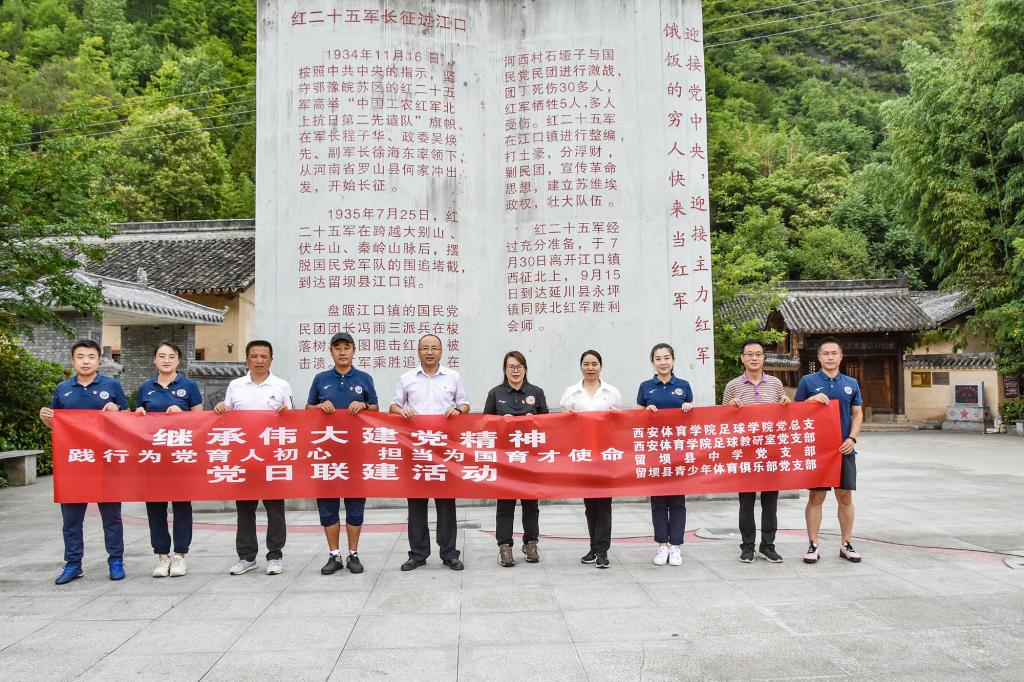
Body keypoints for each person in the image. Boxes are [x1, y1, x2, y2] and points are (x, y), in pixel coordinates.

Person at [39, 339, 129, 585]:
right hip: (74, 464)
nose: (86, 361)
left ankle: (116, 560)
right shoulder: (63, 389)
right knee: (71, 520)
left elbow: (128, 419)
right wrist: (46, 417)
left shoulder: (112, 386)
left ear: (99, 361)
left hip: (106, 462)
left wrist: (117, 411)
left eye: (91, 357)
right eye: (81, 357)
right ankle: (73, 564)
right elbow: (58, 425)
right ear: (72, 361)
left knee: (112, 517)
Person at [389, 334, 469, 571]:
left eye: (434, 348)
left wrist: (458, 411)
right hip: (416, 449)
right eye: (425, 348)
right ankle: (418, 554)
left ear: (441, 352)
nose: (430, 352)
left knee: (446, 502)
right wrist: (401, 411)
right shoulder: (407, 378)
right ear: (418, 351)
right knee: (416, 502)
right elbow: (393, 405)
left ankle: (449, 553)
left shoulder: (453, 376)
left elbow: (465, 404)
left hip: (444, 449)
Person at [214, 340, 293, 575]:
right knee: (245, 509)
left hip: (272, 457)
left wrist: (286, 413)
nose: (259, 360)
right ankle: (247, 557)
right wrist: (220, 408)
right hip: (244, 456)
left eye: (264, 356)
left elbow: (292, 419)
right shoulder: (235, 385)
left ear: (271, 360)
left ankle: (275, 555)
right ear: (247, 359)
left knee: (275, 508)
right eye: (254, 356)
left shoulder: (282, 385)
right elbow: (226, 415)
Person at [306, 332, 378, 576]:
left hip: (356, 453)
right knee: (327, 504)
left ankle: (353, 554)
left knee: (355, 504)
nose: (342, 352)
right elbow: (307, 409)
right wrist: (319, 406)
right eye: (337, 348)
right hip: (326, 454)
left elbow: (376, 408)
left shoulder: (364, 378)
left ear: (354, 350)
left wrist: (364, 405)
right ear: (331, 352)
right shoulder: (321, 379)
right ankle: (334, 554)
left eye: (346, 347)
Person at [135, 340, 204, 578]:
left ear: (179, 360)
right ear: (154, 360)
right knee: (155, 507)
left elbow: (200, 421)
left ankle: (180, 556)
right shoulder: (146, 388)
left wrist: (182, 415)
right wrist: (139, 414)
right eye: (162, 356)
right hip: (153, 456)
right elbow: (137, 422)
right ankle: (162, 555)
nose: (166, 360)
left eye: (171, 356)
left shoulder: (189, 386)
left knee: (182, 506)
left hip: (180, 456)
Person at [722, 339, 791, 564]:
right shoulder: (733, 386)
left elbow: (784, 414)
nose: (754, 358)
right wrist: (730, 408)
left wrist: (785, 402)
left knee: (770, 503)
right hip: (745, 453)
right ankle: (747, 546)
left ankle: (768, 546)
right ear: (742, 358)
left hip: (770, 452)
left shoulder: (776, 384)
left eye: (758, 354)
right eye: (749, 354)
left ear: (764, 357)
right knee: (746, 502)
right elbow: (722, 420)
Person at [796, 337, 864, 564]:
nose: (830, 357)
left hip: (844, 449)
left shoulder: (851, 383)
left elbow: (857, 413)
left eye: (834, 353)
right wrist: (810, 400)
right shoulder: (808, 381)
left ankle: (846, 543)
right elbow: (795, 412)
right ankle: (813, 544)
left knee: (845, 496)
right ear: (819, 357)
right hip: (818, 450)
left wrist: (852, 438)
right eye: (825, 353)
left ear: (841, 356)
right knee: (816, 496)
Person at [483, 351, 549, 567]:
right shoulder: (495, 394)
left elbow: (548, 425)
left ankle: (531, 542)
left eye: (519, 366)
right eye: (511, 366)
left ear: (525, 369)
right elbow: (484, 425)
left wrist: (534, 421)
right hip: (505, 459)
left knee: (531, 503)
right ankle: (505, 546)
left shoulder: (536, 393)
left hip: (530, 459)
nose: (515, 370)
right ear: (505, 370)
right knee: (505, 504)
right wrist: (501, 423)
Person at [559, 350, 623, 569]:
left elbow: (618, 425)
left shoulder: (611, 392)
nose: (590, 368)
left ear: (601, 367)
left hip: (605, 456)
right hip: (583, 456)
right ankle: (593, 547)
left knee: (604, 504)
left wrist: (616, 418)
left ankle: (602, 550)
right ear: (581, 367)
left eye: (594, 364)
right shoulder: (571, 392)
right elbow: (563, 425)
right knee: (590, 505)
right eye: (586, 364)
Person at [636, 343, 693, 567]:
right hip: (655, 452)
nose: (663, 362)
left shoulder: (683, 385)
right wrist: (645, 412)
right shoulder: (645, 387)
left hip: (678, 451)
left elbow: (692, 415)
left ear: (673, 360)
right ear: (653, 362)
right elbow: (636, 417)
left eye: (666, 358)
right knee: (658, 500)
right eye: (658, 358)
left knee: (677, 500)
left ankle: (676, 546)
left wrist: (689, 407)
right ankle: (662, 545)